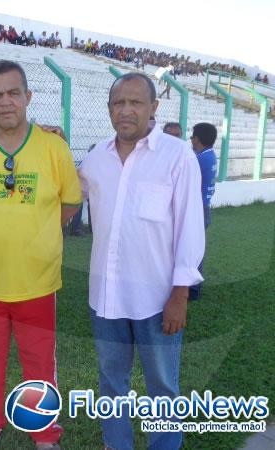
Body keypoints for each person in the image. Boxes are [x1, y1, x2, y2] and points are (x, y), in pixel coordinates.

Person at [0, 60, 82, 450]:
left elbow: (69, 205)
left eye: (13, 93)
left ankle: (44, 433)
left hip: (38, 282)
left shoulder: (54, 147)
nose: (5, 102)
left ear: (28, 97)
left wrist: (36, 238)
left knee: (39, 363)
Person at [77, 72, 205, 450]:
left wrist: (180, 295)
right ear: (109, 110)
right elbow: (65, 194)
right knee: (111, 381)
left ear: (154, 108)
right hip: (106, 298)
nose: (127, 110)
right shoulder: (95, 159)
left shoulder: (177, 156)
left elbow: (190, 229)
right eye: (119, 103)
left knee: (163, 386)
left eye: (136, 102)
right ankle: (116, 445)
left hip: (157, 300)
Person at [189, 122, 217, 300]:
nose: (190, 140)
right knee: (194, 249)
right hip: (203, 208)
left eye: (192, 136)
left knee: (192, 250)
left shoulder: (199, 159)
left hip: (198, 210)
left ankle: (193, 290)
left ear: (197, 139)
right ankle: (193, 288)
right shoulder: (209, 155)